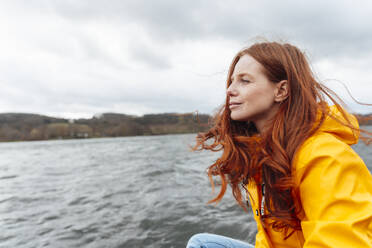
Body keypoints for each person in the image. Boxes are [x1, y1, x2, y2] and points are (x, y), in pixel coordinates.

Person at [186, 41, 372, 248]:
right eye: (231, 82)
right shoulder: (265, 153)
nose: (229, 90)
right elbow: (267, 238)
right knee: (202, 243)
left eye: (244, 81)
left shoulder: (325, 156)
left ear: (281, 90)